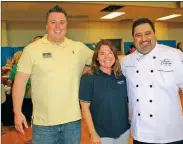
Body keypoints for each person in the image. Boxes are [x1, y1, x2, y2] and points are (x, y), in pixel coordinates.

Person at [12, 5, 93, 144]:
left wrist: (79, 71)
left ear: (66, 25)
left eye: (62, 22)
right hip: (43, 124)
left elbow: (99, 62)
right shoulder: (31, 50)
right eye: (53, 22)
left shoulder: (78, 48)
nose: (58, 26)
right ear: (46, 25)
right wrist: (17, 112)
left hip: (72, 122)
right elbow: (20, 82)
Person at [121, 18, 183, 144]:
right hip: (141, 134)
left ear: (155, 34)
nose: (143, 38)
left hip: (172, 132)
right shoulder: (126, 62)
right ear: (134, 39)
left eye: (147, 33)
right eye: (138, 35)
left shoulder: (174, 55)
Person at [79, 40, 130, 144]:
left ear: (115, 56)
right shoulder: (89, 79)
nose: (107, 57)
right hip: (101, 134)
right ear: (97, 57)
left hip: (124, 130)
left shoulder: (122, 77)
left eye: (110, 53)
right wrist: (93, 133)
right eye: (102, 53)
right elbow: (85, 108)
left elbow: (127, 102)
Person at [8, 51, 32, 122]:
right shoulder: (31, 66)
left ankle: (24, 119)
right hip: (32, 91)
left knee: (23, 106)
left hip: (22, 92)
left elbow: (10, 80)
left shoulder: (16, 67)